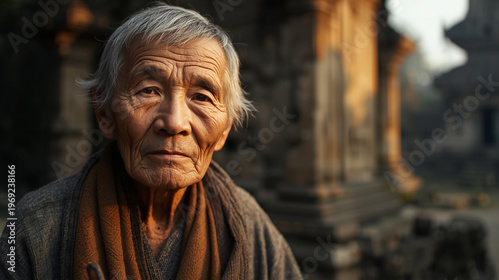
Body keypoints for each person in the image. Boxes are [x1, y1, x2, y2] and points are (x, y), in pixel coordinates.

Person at [0, 4, 302, 280]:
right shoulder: (39, 226)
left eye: (201, 97)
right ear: (104, 113)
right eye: (148, 90)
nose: (174, 122)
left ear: (225, 129)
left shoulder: (247, 226)